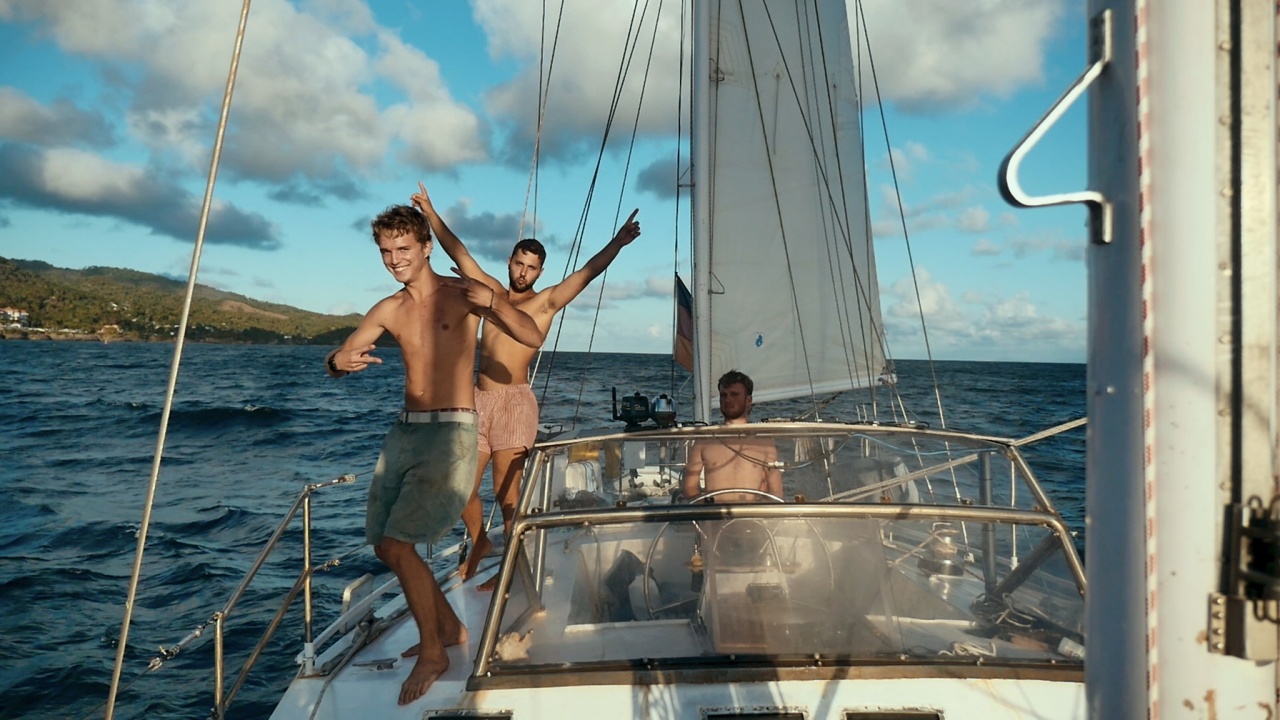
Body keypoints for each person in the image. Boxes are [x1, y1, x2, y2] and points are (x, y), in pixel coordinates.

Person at [324, 204, 543, 706]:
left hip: (453, 431)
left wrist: (496, 301)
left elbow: (532, 335)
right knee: (384, 546)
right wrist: (337, 361)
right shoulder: (389, 308)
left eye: (403, 248)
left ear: (426, 247)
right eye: (386, 251)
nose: (394, 259)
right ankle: (447, 628)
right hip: (406, 433)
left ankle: (432, 652)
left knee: (400, 545)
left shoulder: (463, 294)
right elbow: (340, 356)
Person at [411, 183, 641, 584]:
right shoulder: (491, 293)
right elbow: (460, 253)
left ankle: (517, 568)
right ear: (510, 262)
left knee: (508, 495)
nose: (523, 272)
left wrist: (617, 243)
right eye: (519, 264)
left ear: (540, 272)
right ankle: (480, 542)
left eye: (531, 268)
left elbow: (586, 273)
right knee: (458, 487)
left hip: (514, 403)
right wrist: (430, 213)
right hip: (477, 401)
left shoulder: (545, 302)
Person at [682, 370, 784, 503]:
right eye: (723, 395)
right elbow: (689, 487)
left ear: (748, 400)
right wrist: (705, 508)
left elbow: (776, 491)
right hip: (714, 513)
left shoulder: (764, 442)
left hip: (751, 514)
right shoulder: (704, 440)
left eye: (734, 394)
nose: (728, 399)